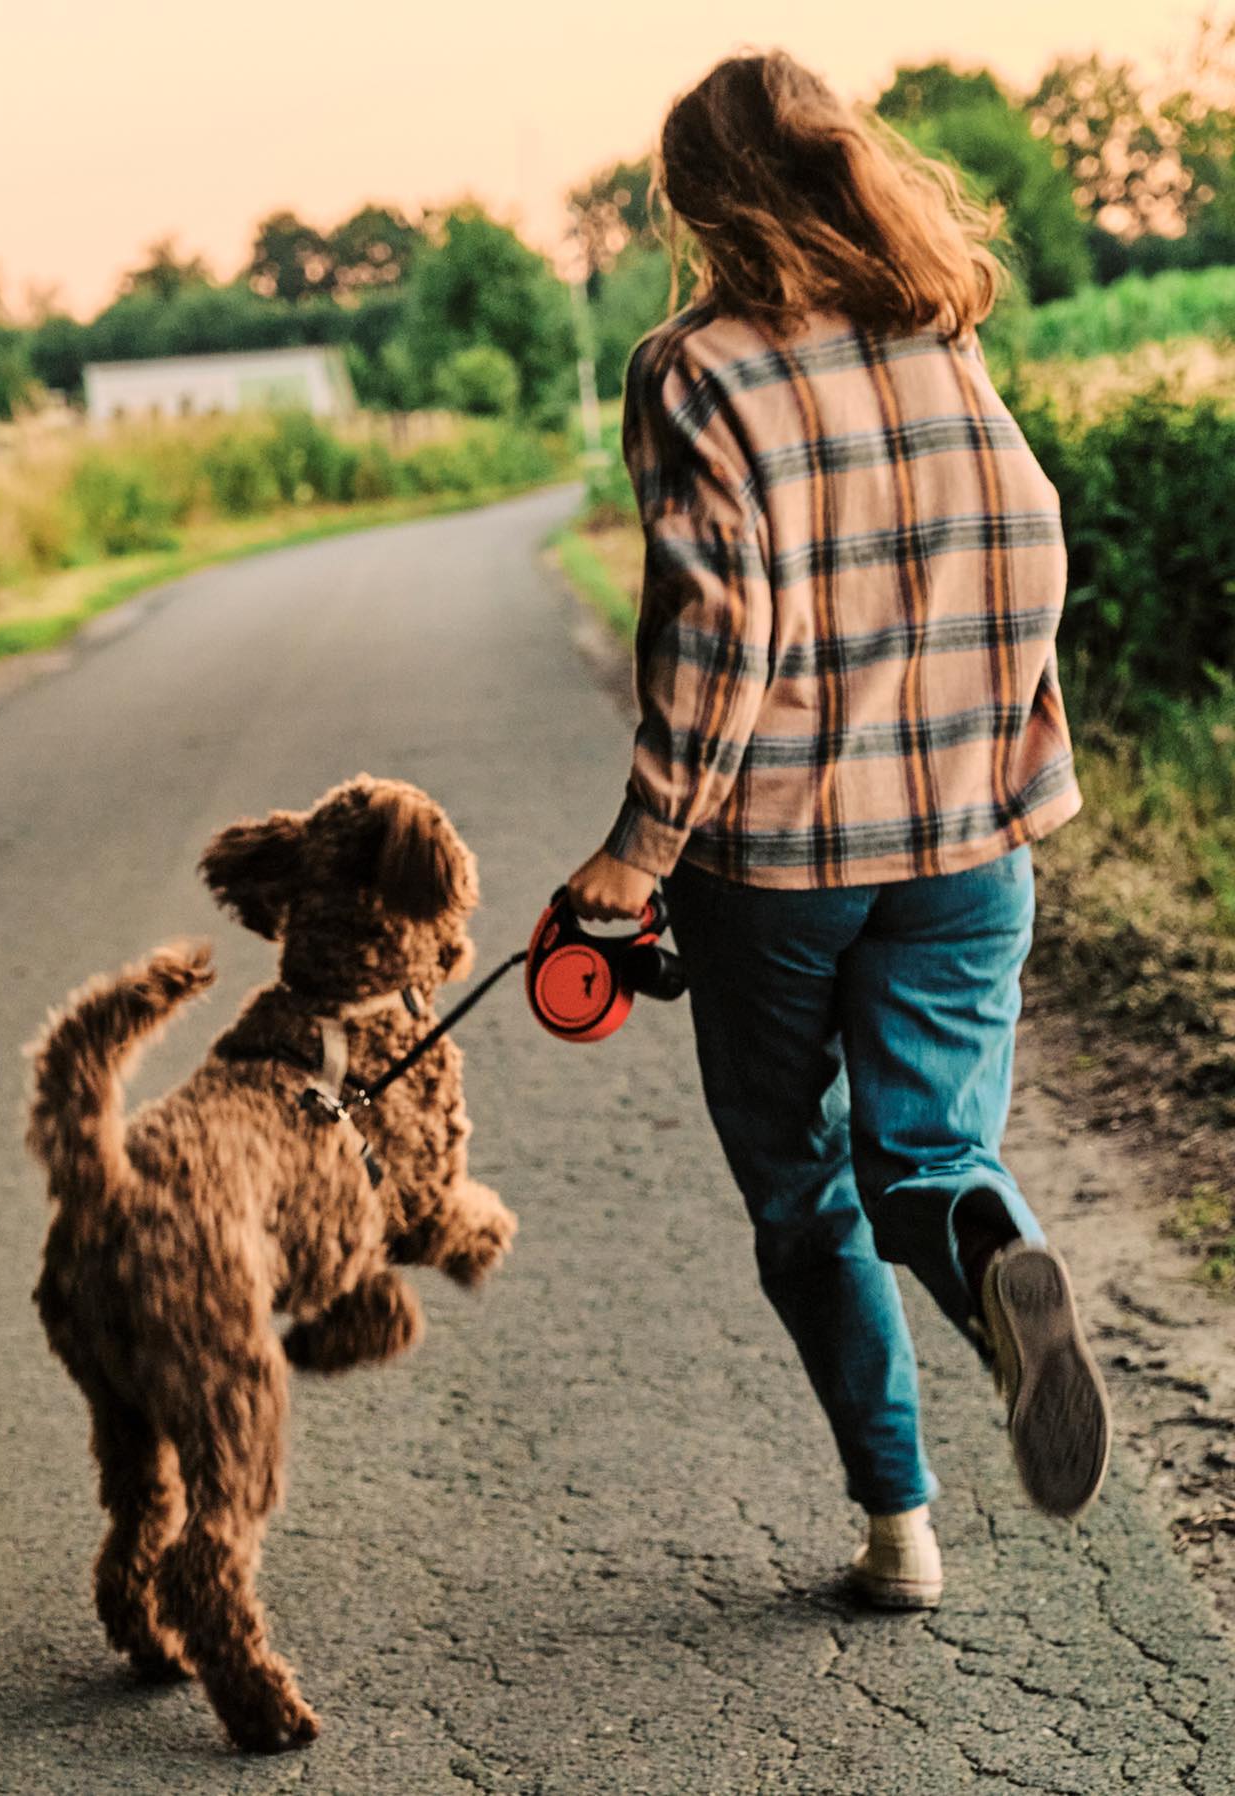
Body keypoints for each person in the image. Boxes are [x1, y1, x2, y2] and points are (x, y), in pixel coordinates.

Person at [566, 49, 1110, 1610]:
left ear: (699, 200)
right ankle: (996, 1270)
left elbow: (713, 637)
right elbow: (1034, 543)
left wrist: (636, 855)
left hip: (784, 863)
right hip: (970, 842)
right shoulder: (941, 334)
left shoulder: (696, 368)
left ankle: (900, 1527)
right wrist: (1016, 754)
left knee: (807, 1188)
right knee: (928, 1150)